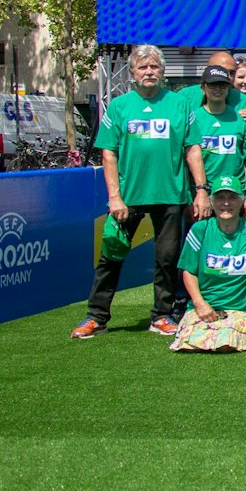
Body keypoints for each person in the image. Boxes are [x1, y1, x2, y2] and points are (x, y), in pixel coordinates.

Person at [73, 44, 210, 340]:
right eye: (143, 67)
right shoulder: (119, 106)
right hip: (128, 197)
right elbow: (108, 153)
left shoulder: (180, 104)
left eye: (154, 67)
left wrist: (201, 190)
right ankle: (97, 316)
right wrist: (114, 197)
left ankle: (161, 315)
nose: (149, 72)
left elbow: (193, 149)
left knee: (167, 259)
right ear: (133, 73)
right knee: (111, 256)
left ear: (162, 71)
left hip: (171, 194)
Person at [172, 176, 246, 352]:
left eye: (232, 197)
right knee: (190, 343)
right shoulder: (200, 230)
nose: (226, 203)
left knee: (226, 343)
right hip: (204, 309)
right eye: (220, 198)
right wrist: (200, 304)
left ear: (242, 201)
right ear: (211, 202)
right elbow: (188, 270)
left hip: (241, 311)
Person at [188, 63, 246, 208]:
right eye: (212, 85)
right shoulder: (193, 119)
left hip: (235, 193)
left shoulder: (240, 119)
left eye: (222, 85)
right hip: (204, 195)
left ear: (229, 88)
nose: (218, 89)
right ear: (203, 88)